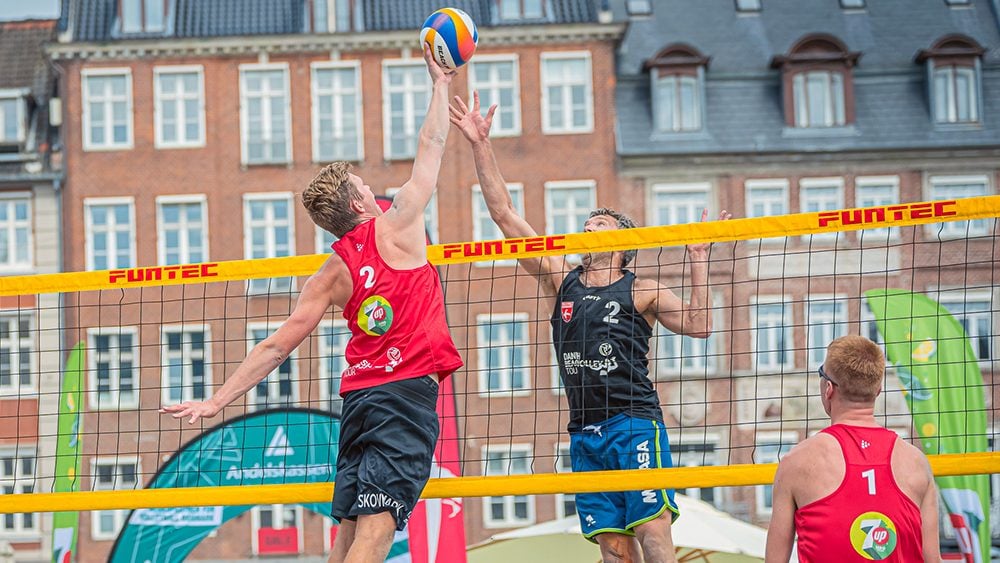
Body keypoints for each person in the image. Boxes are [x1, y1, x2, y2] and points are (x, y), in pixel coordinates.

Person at [160, 46, 463, 563]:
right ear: (357, 202)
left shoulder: (331, 271)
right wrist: (440, 83)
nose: (372, 186)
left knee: (346, 529)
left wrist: (218, 400)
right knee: (378, 529)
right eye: (364, 184)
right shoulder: (401, 225)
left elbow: (277, 345)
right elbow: (432, 142)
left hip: (360, 403)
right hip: (406, 396)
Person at [450, 93, 731, 563]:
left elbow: (701, 325)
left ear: (621, 242)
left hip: (635, 421)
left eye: (597, 224)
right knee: (614, 552)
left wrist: (699, 260)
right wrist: (481, 144)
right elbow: (504, 214)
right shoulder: (562, 278)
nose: (586, 229)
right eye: (584, 224)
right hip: (585, 430)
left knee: (654, 536)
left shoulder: (643, 289)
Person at [764, 335, 940, 563]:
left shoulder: (797, 463)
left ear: (828, 388)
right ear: (878, 389)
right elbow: (932, 559)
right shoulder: (916, 463)